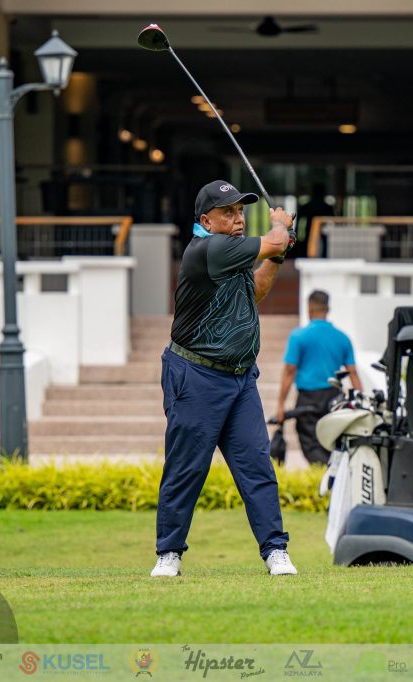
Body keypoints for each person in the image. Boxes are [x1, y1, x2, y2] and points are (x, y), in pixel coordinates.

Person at [152, 179, 297, 578]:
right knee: (187, 469)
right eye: (228, 213)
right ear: (206, 221)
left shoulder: (231, 254)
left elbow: (256, 291)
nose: (238, 219)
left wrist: (278, 255)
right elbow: (273, 240)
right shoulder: (208, 249)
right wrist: (281, 227)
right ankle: (169, 553)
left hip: (239, 378)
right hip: (195, 375)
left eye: (240, 211)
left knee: (257, 467)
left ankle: (275, 550)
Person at [276, 290, 362, 466]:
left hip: (307, 399)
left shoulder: (299, 336)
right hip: (334, 399)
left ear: (309, 308)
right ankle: (331, 474)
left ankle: (322, 474)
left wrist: (281, 404)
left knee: (310, 443)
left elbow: (290, 371)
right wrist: (361, 402)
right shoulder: (342, 338)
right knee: (331, 441)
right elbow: (352, 372)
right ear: (327, 309)